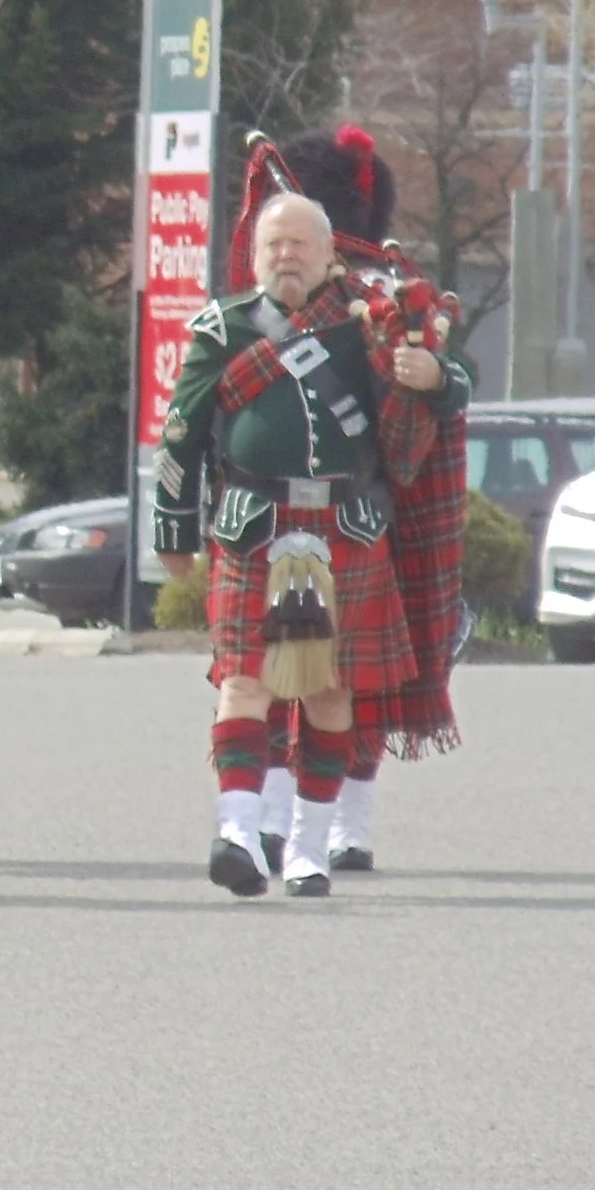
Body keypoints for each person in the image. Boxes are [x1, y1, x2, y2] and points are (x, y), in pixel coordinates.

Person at [154, 175, 471, 898]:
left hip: (345, 525)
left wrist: (436, 376)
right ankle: (236, 828)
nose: (284, 255)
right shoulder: (223, 327)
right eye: (273, 244)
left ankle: (307, 844)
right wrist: (173, 530)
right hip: (254, 527)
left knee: (332, 691)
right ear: (255, 255)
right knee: (244, 680)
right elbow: (181, 433)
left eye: (299, 243)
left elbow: (453, 388)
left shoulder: (368, 329)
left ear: (331, 256)